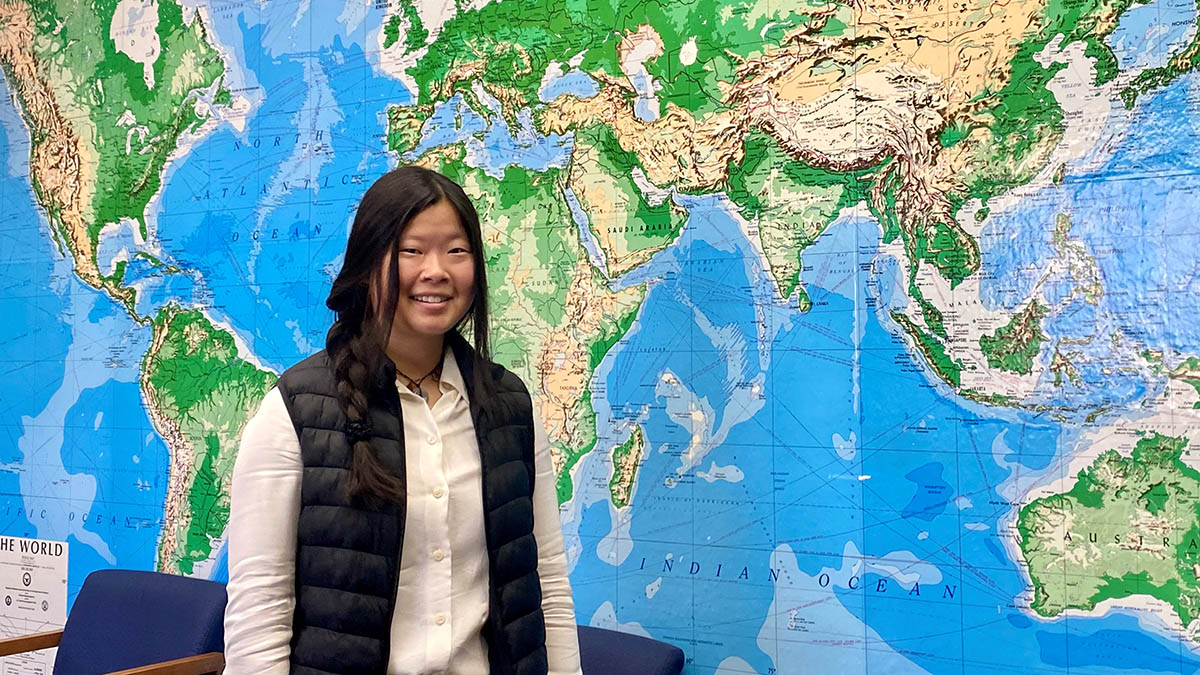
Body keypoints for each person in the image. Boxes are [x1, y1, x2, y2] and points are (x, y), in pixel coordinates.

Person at [223, 166, 583, 675]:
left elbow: (543, 583)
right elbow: (261, 606)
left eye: (456, 251)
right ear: (369, 263)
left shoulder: (509, 408)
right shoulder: (296, 411)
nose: (435, 270)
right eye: (412, 250)